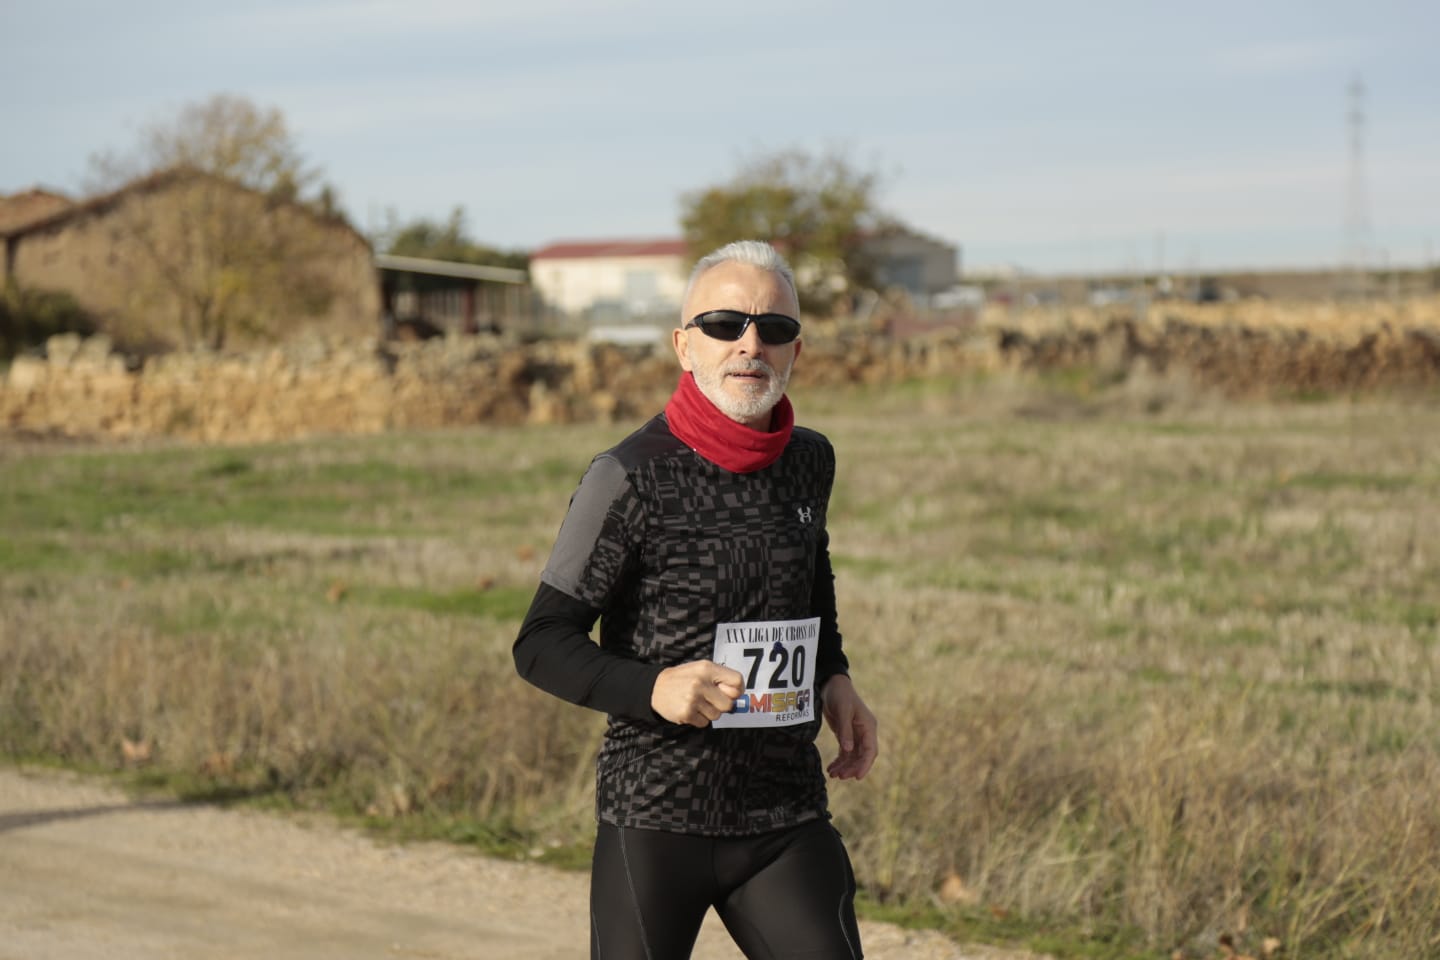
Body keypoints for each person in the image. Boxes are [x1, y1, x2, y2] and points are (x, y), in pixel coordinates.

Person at [514, 239, 879, 960]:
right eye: (724, 325)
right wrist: (653, 687)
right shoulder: (627, 475)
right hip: (656, 816)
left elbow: (811, 576)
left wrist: (833, 673)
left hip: (783, 814)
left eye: (774, 329)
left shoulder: (810, 460)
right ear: (685, 346)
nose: (750, 345)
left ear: (795, 350)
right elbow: (540, 643)